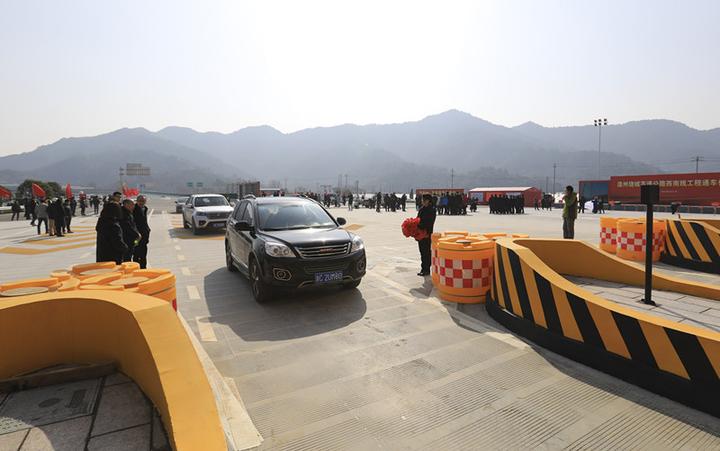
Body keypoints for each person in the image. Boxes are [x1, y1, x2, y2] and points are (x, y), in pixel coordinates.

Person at [416, 194, 437, 276]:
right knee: (422, 251)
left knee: (426, 252)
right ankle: (423, 268)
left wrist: (420, 226)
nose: (422, 201)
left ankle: (426, 269)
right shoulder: (422, 209)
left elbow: (429, 223)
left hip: (427, 233)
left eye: (424, 200)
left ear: (428, 201)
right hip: (420, 234)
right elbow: (417, 219)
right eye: (422, 200)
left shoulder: (432, 210)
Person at [132, 195, 151, 268]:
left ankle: (143, 268)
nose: (141, 203)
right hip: (136, 237)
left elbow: (144, 222)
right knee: (136, 253)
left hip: (144, 236)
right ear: (137, 201)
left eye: (143, 201)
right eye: (140, 201)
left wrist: (148, 230)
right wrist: (136, 233)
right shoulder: (133, 209)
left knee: (143, 253)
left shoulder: (145, 208)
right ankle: (136, 268)